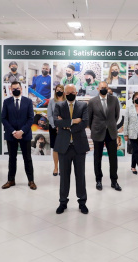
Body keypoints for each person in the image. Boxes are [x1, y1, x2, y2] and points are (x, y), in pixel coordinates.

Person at [54, 84, 89, 214]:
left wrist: (66, 125)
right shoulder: (59, 105)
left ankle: (82, 202)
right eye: (67, 92)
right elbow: (56, 122)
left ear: (76, 92)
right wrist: (73, 122)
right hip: (64, 146)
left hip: (79, 146)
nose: (70, 94)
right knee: (64, 177)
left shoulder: (83, 106)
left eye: (72, 92)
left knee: (80, 175)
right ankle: (63, 202)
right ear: (64, 93)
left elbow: (85, 122)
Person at [1, 81, 37, 190]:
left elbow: (31, 118)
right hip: (11, 135)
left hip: (24, 135)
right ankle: (11, 180)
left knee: (27, 158)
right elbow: (3, 118)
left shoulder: (28, 101)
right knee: (12, 158)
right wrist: (13, 132)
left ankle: (31, 181)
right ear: (11, 90)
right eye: (13, 88)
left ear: (21, 89)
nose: (16, 90)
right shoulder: (6, 102)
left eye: (17, 88)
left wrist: (21, 131)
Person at [88, 81, 121, 191]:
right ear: (98, 89)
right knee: (97, 157)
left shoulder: (114, 99)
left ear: (108, 88)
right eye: (101, 87)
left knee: (113, 158)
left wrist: (109, 124)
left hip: (111, 132)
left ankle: (114, 181)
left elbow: (116, 116)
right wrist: (96, 127)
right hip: (98, 132)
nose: (103, 89)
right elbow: (89, 119)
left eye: (105, 87)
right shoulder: (92, 101)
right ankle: (98, 180)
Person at [47, 84, 65, 176]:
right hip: (54, 127)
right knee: (55, 148)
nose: (59, 91)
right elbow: (49, 115)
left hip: (65, 128)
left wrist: (62, 125)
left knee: (63, 148)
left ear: (63, 91)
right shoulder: (52, 101)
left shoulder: (67, 101)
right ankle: (56, 167)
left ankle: (62, 167)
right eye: (57, 90)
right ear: (55, 91)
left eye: (61, 90)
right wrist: (55, 126)